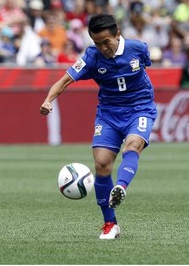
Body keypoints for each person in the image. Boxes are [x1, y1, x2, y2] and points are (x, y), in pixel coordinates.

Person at [40, 13, 157, 240]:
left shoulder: (138, 49)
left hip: (140, 109)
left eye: (106, 42)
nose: (103, 48)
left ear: (118, 34)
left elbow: (146, 69)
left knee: (132, 146)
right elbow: (64, 80)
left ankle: (120, 187)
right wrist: (48, 100)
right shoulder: (92, 57)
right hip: (109, 114)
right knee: (102, 164)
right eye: (97, 43)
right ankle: (110, 224)